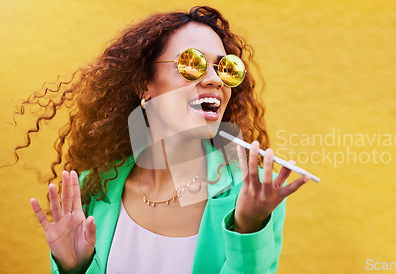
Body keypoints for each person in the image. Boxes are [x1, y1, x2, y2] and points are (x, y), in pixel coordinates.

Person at [22, 6, 309, 273]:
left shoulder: (252, 195)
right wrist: (74, 268)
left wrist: (248, 229)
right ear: (144, 85)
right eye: (191, 63)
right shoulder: (94, 188)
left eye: (226, 69)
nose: (215, 80)